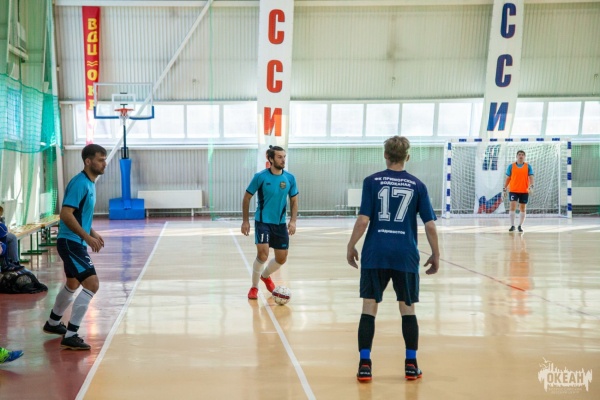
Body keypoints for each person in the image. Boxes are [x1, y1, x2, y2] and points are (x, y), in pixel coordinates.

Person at [346, 136, 440, 383]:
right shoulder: (418, 185)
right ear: (407, 157)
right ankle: (411, 364)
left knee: (369, 307)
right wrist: (436, 254)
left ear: (385, 155)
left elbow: (363, 220)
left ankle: (365, 365)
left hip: (375, 252)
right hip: (405, 254)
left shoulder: (371, 181)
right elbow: (430, 225)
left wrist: (351, 245)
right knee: (407, 308)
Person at [42, 144, 107, 350]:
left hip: (74, 241)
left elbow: (80, 215)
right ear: (88, 161)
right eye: (100, 160)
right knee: (92, 284)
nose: (104, 163)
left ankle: (53, 322)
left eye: (104, 159)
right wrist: (86, 237)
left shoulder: (89, 183)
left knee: (72, 283)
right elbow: (66, 214)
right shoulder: (80, 183)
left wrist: (92, 232)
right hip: (71, 243)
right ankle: (71, 334)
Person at [241, 145, 298, 300]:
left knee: (281, 258)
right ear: (270, 159)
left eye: (284, 157)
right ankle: (254, 287)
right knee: (263, 254)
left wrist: (293, 221)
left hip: (280, 224)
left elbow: (294, 201)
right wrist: (245, 221)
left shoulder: (290, 178)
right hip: (263, 222)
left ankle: (265, 276)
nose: (283, 160)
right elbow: (246, 198)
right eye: (279, 157)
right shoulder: (260, 177)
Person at [503, 150, 534, 233]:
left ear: (524, 157)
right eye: (519, 154)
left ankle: (520, 225)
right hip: (513, 190)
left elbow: (531, 176)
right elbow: (508, 178)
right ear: (516, 156)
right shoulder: (511, 166)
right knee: (512, 206)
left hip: (524, 190)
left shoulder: (528, 166)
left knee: (522, 208)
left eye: (522, 155)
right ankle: (512, 225)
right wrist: (504, 188)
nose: (521, 156)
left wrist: (531, 186)